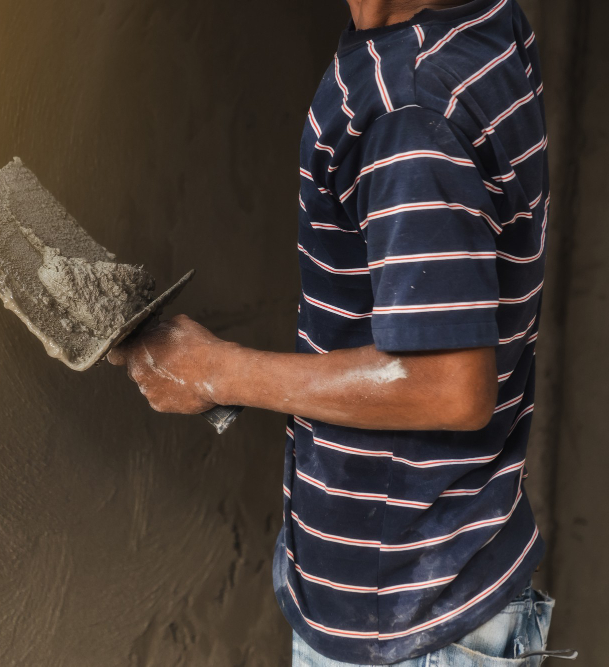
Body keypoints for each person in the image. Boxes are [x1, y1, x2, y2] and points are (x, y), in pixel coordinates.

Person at [108, 0, 577, 664]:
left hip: (409, 622)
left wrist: (218, 370)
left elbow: (448, 386)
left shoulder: (409, 113)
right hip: (448, 574)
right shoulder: (479, 22)